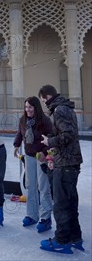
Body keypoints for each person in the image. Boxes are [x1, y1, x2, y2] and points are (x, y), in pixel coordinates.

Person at [38, 84, 84, 254]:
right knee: (70, 202)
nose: (44, 104)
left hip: (65, 164)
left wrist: (49, 142)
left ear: (47, 97)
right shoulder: (65, 109)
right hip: (68, 161)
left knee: (62, 204)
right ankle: (74, 236)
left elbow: (68, 135)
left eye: (43, 101)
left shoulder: (59, 110)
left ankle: (62, 240)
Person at [13, 96, 53, 232]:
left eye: (30, 107)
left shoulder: (45, 121)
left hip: (42, 156)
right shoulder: (23, 120)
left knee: (43, 187)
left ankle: (45, 218)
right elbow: (20, 133)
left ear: (36, 107)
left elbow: (52, 139)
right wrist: (16, 145)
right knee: (30, 186)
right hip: (29, 156)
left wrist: (45, 152)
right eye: (26, 107)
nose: (27, 110)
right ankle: (32, 215)